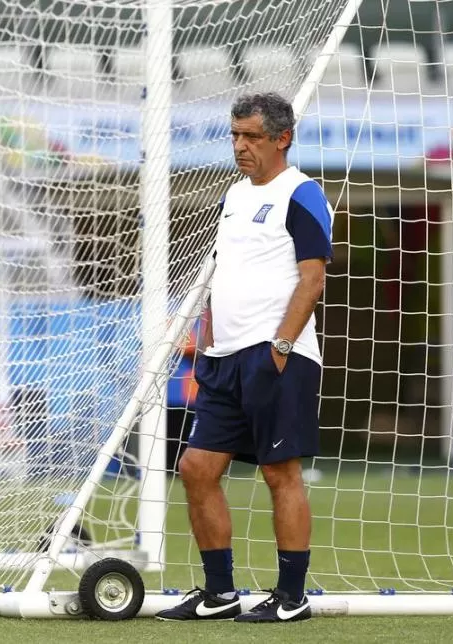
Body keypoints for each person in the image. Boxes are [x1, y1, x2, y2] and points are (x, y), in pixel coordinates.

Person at [156, 93, 333, 623]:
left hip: (278, 355)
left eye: (251, 136)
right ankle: (219, 593)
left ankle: (291, 598)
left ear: (282, 139)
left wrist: (280, 346)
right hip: (223, 357)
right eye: (235, 135)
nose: (240, 146)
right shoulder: (232, 197)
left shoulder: (301, 194)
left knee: (280, 474)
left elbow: (313, 277)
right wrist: (207, 341)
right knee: (196, 467)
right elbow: (222, 278)